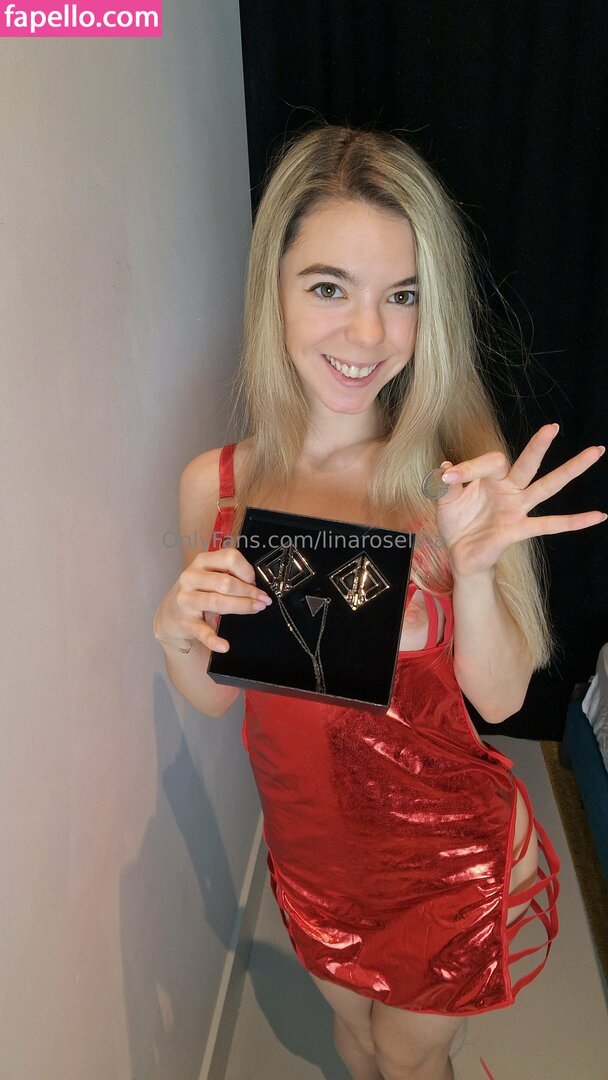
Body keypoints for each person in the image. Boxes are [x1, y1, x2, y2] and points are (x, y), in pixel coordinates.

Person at [153, 124, 606, 1080]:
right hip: (312, 853)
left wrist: (473, 571)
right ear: (273, 290)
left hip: (444, 860)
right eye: (329, 287)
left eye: (402, 296)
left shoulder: (451, 482)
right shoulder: (218, 490)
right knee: (353, 1039)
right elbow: (217, 698)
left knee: (407, 1060)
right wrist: (175, 635)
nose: (368, 335)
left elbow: (499, 697)